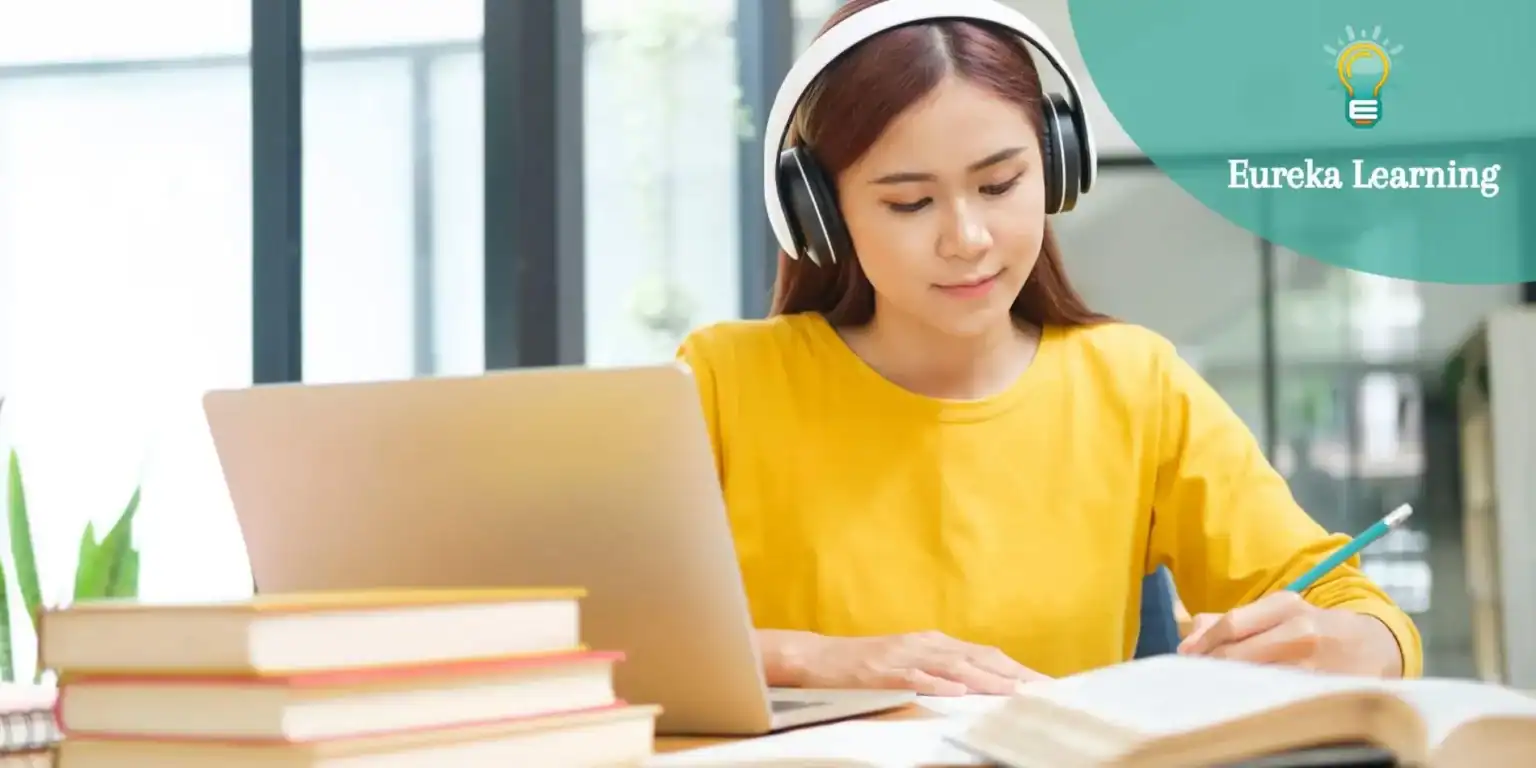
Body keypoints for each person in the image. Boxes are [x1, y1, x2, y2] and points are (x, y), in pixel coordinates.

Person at [676, 0, 1421, 697]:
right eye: (909, 202)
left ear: (1057, 168)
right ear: (821, 213)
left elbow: (1353, 606)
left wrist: (1355, 640)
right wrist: (814, 658)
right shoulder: (720, 382)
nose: (966, 239)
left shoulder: (1133, 383)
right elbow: (594, 632)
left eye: (999, 185)